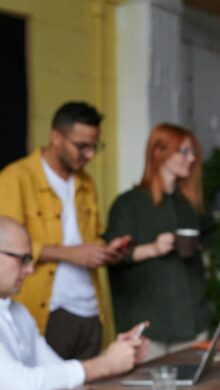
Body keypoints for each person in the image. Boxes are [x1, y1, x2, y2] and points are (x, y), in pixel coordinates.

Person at [0, 101, 130, 360]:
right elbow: (7, 247)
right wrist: (70, 254)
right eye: (82, 146)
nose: (90, 155)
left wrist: (105, 251)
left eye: (95, 146)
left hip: (91, 310)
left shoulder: (86, 183)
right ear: (56, 137)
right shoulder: (16, 178)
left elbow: (89, 237)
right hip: (47, 311)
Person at [0, 216, 148, 390]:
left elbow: (58, 371)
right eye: (22, 259)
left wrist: (118, 356)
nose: (31, 269)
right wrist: (104, 364)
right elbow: (23, 387)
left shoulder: (18, 312)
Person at [104, 123, 210, 361]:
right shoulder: (128, 203)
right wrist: (153, 248)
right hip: (149, 328)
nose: (191, 158)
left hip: (192, 321)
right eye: (183, 151)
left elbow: (205, 242)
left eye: (193, 152)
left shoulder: (190, 204)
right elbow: (112, 255)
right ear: (158, 152)